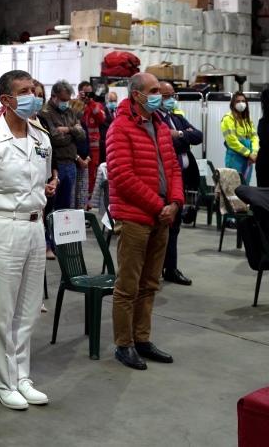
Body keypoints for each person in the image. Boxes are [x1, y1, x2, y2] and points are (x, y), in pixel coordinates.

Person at [0, 69, 56, 410]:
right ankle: (4, 383)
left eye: (34, 88)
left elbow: (42, 180)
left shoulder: (41, 136)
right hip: (2, 226)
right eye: (25, 90)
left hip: (34, 226)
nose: (34, 95)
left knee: (28, 309)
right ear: (6, 99)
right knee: (3, 311)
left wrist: (48, 188)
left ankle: (22, 376)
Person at [106, 72, 185, 371]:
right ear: (136, 94)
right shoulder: (120, 127)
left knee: (150, 283)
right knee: (128, 285)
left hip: (161, 215)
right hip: (135, 217)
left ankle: (142, 339)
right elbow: (122, 176)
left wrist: (175, 202)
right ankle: (123, 344)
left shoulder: (161, 126)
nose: (159, 96)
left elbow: (173, 168)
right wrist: (159, 206)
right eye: (153, 91)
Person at [158, 81, 202, 286]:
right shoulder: (156, 120)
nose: (171, 99)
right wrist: (184, 137)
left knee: (175, 227)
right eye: (167, 96)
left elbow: (198, 136)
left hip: (182, 177)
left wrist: (181, 134)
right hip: (166, 179)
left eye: (173, 95)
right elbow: (167, 141)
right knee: (165, 225)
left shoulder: (176, 117)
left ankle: (170, 268)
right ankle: (160, 268)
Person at [42, 81, 86, 252]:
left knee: (65, 207)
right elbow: (54, 139)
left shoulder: (70, 111)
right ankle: (47, 243)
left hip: (70, 163)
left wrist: (67, 130)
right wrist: (73, 131)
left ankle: (60, 242)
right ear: (53, 96)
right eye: (62, 99)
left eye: (67, 100)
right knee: (50, 206)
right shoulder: (45, 113)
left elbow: (82, 135)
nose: (65, 103)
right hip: (56, 164)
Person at [221, 92, 258, 185]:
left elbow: (254, 137)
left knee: (245, 185)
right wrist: (248, 154)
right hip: (235, 158)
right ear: (233, 104)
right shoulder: (228, 119)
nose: (241, 103)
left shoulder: (247, 119)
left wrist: (254, 153)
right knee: (234, 186)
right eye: (238, 101)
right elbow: (232, 141)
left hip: (248, 159)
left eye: (243, 101)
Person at [78, 81, 107, 195]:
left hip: (94, 147)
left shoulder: (96, 105)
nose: (88, 95)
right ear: (80, 92)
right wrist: (80, 102)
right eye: (86, 93)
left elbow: (102, 119)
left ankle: (89, 198)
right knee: (80, 174)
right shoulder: (76, 104)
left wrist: (91, 103)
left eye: (90, 93)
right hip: (80, 147)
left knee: (92, 174)